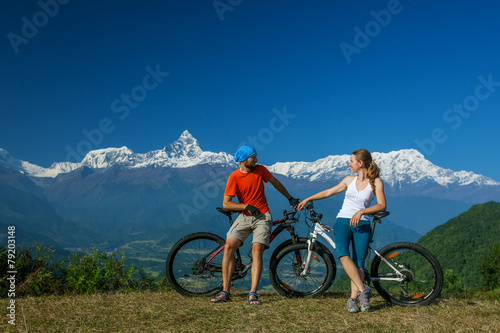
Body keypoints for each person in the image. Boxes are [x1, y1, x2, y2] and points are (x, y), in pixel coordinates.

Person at [298, 149, 386, 313]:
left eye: (351, 161)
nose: (349, 164)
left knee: (359, 262)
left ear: (360, 163)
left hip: (362, 223)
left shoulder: (376, 182)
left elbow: (381, 205)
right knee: (343, 254)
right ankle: (363, 289)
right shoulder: (349, 180)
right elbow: (329, 192)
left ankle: (353, 299)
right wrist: (309, 198)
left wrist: (361, 212)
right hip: (342, 221)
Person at [211, 145, 299, 305]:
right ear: (244, 160)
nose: (257, 160)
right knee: (229, 246)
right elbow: (226, 203)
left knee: (257, 249)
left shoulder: (261, 170)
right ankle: (225, 291)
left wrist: (289, 197)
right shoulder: (234, 177)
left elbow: (276, 183)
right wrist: (245, 206)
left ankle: (253, 293)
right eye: (253, 157)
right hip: (244, 217)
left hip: (263, 216)